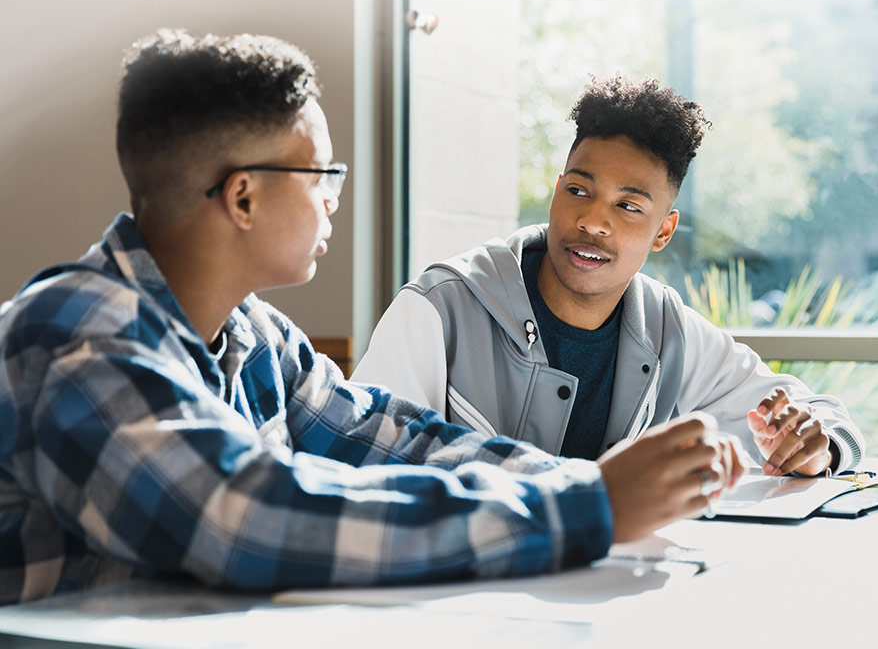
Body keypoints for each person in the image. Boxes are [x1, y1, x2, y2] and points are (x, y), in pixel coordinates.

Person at [0, 32, 737, 607]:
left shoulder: (255, 337)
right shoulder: (77, 335)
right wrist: (588, 508)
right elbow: (247, 521)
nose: (334, 198)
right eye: (322, 174)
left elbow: (397, 442)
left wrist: (598, 485)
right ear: (245, 198)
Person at [354, 73, 864, 478]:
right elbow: (359, 462)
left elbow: (817, 413)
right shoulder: (438, 310)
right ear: (556, 190)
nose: (593, 222)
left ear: (663, 232)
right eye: (578, 191)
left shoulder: (668, 330)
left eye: (627, 206)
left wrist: (815, 447)